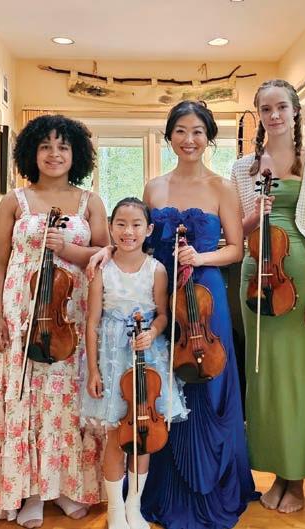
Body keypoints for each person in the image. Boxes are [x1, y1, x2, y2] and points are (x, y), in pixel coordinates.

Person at [88, 100, 256, 529]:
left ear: (209, 137)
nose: (189, 139)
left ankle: (210, 486)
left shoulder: (223, 187)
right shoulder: (154, 187)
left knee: (208, 386)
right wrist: (107, 250)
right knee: (158, 388)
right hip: (161, 301)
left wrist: (201, 256)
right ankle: (150, 494)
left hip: (204, 298)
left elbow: (237, 249)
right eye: (180, 131)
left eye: (197, 131)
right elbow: (138, 239)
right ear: (169, 137)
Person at [0, 115, 110, 527]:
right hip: (21, 312)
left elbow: (105, 254)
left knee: (66, 401)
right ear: (32, 152)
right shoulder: (14, 201)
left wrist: (67, 249)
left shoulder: (90, 202)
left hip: (69, 315)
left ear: (76, 153)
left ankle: (63, 488)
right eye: (45, 146)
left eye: (63, 146)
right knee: (25, 399)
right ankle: (29, 492)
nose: (54, 154)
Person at [230, 79, 305, 513]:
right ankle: (274, 472)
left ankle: (297, 478)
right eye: (266, 109)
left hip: (302, 275)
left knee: (297, 377)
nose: (273, 116)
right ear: (259, 115)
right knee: (263, 376)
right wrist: (255, 215)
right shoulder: (243, 168)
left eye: (281, 108)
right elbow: (235, 230)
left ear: (295, 112)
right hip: (257, 274)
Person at [82, 197, 188, 529]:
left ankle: (134, 507)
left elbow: (163, 315)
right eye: (121, 224)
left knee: (143, 436)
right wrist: (94, 370)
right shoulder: (102, 269)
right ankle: (115, 509)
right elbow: (91, 322)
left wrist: (153, 332)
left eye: (136, 225)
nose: (128, 231)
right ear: (111, 227)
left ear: (149, 229)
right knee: (116, 437)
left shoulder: (157, 270)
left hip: (147, 359)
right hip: (112, 359)